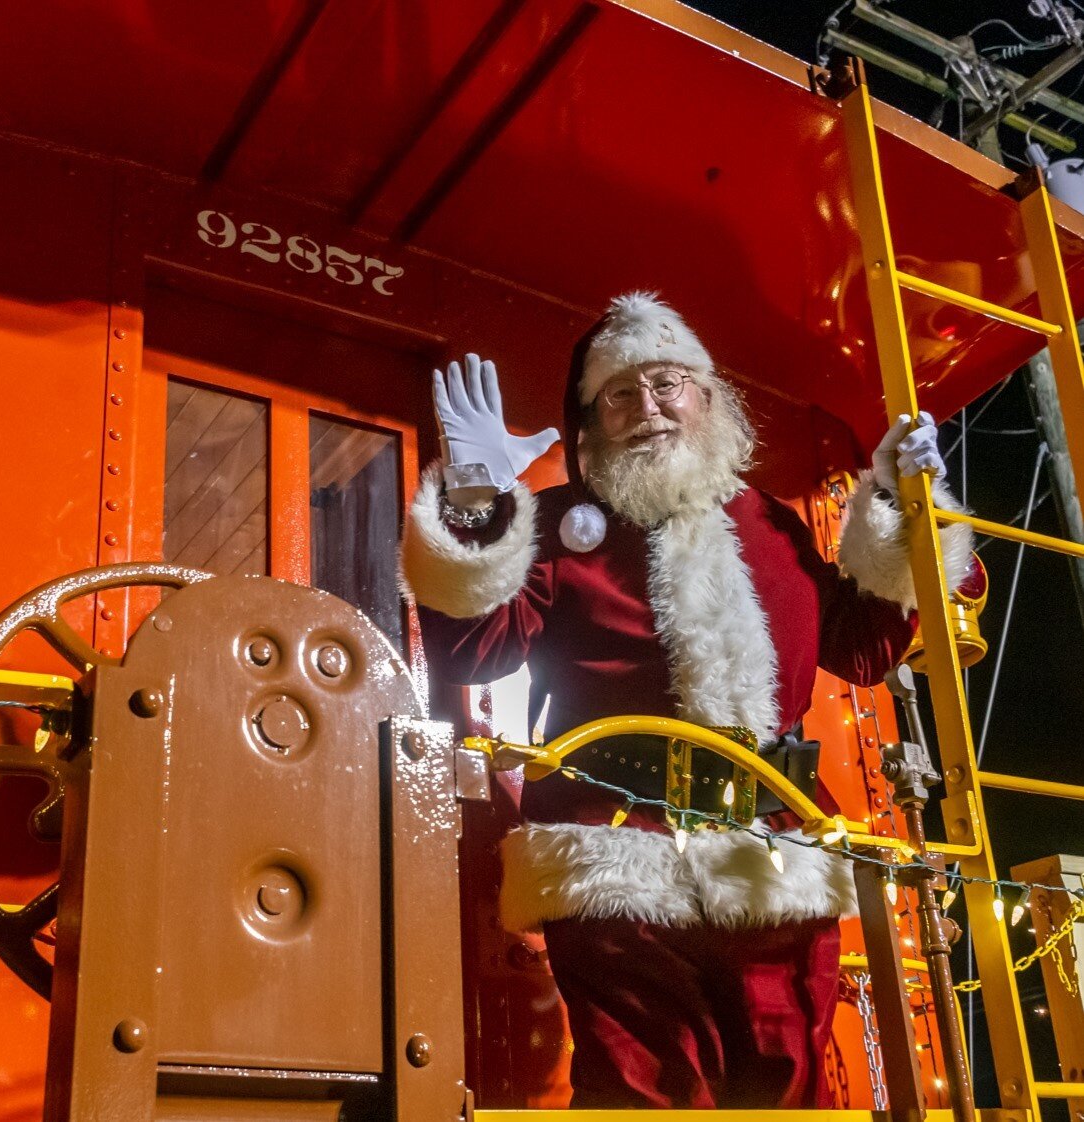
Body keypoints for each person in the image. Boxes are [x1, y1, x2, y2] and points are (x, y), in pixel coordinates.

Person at [399, 292, 972, 1109]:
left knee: (788, 1087)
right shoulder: (560, 525)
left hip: (770, 853)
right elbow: (475, 650)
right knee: (648, 1091)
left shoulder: (772, 525)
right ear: (591, 423)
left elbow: (864, 647)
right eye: (620, 396)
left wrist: (896, 507)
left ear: (708, 398)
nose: (648, 409)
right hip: (612, 852)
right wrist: (477, 503)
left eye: (667, 383)